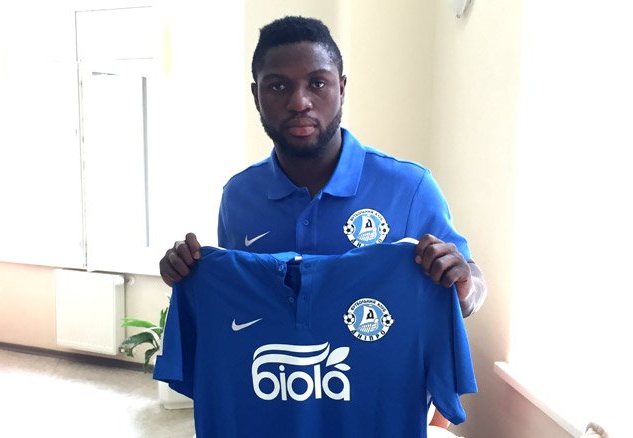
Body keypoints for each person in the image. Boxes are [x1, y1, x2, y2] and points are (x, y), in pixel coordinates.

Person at [159, 15, 486, 433]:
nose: (299, 102)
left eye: (317, 83)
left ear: (341, 88)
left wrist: (463, 284)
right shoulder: (238, 197)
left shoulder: (410, 187)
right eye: (278, 86)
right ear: (256, 95)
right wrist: (186, 272)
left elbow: (471, 289)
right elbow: (240, 313)